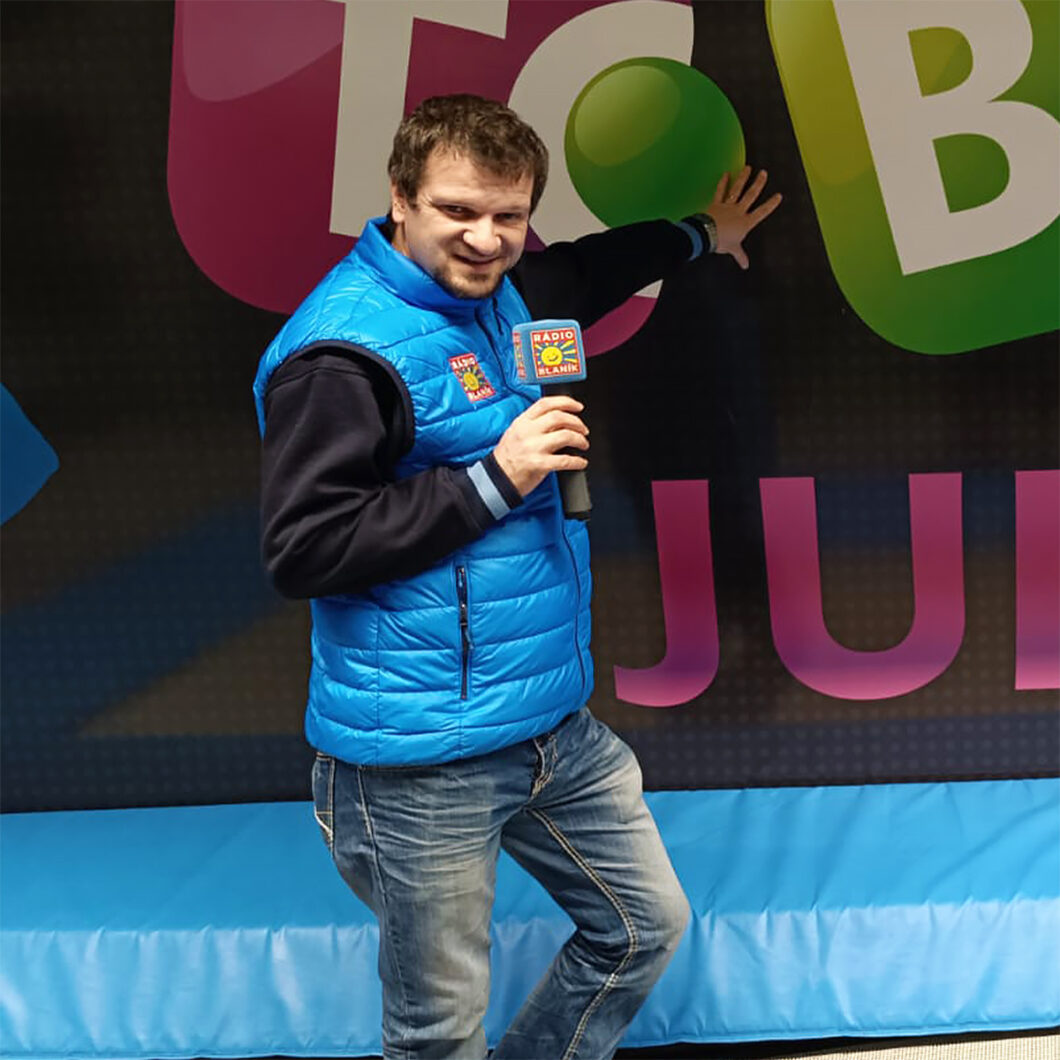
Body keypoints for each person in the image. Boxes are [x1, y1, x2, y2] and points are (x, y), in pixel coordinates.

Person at [254, 94, 780, 1060]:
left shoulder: (512, 291)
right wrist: (497, 476)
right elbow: (305, 549)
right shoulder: (341, 355)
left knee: (642, 927)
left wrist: (706, 233)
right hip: (420, 758)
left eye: (509, 215)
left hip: (549, 726)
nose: (486, 239)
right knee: (438, 1032)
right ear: (400, 198)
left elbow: (595, 265)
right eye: (457, 211)